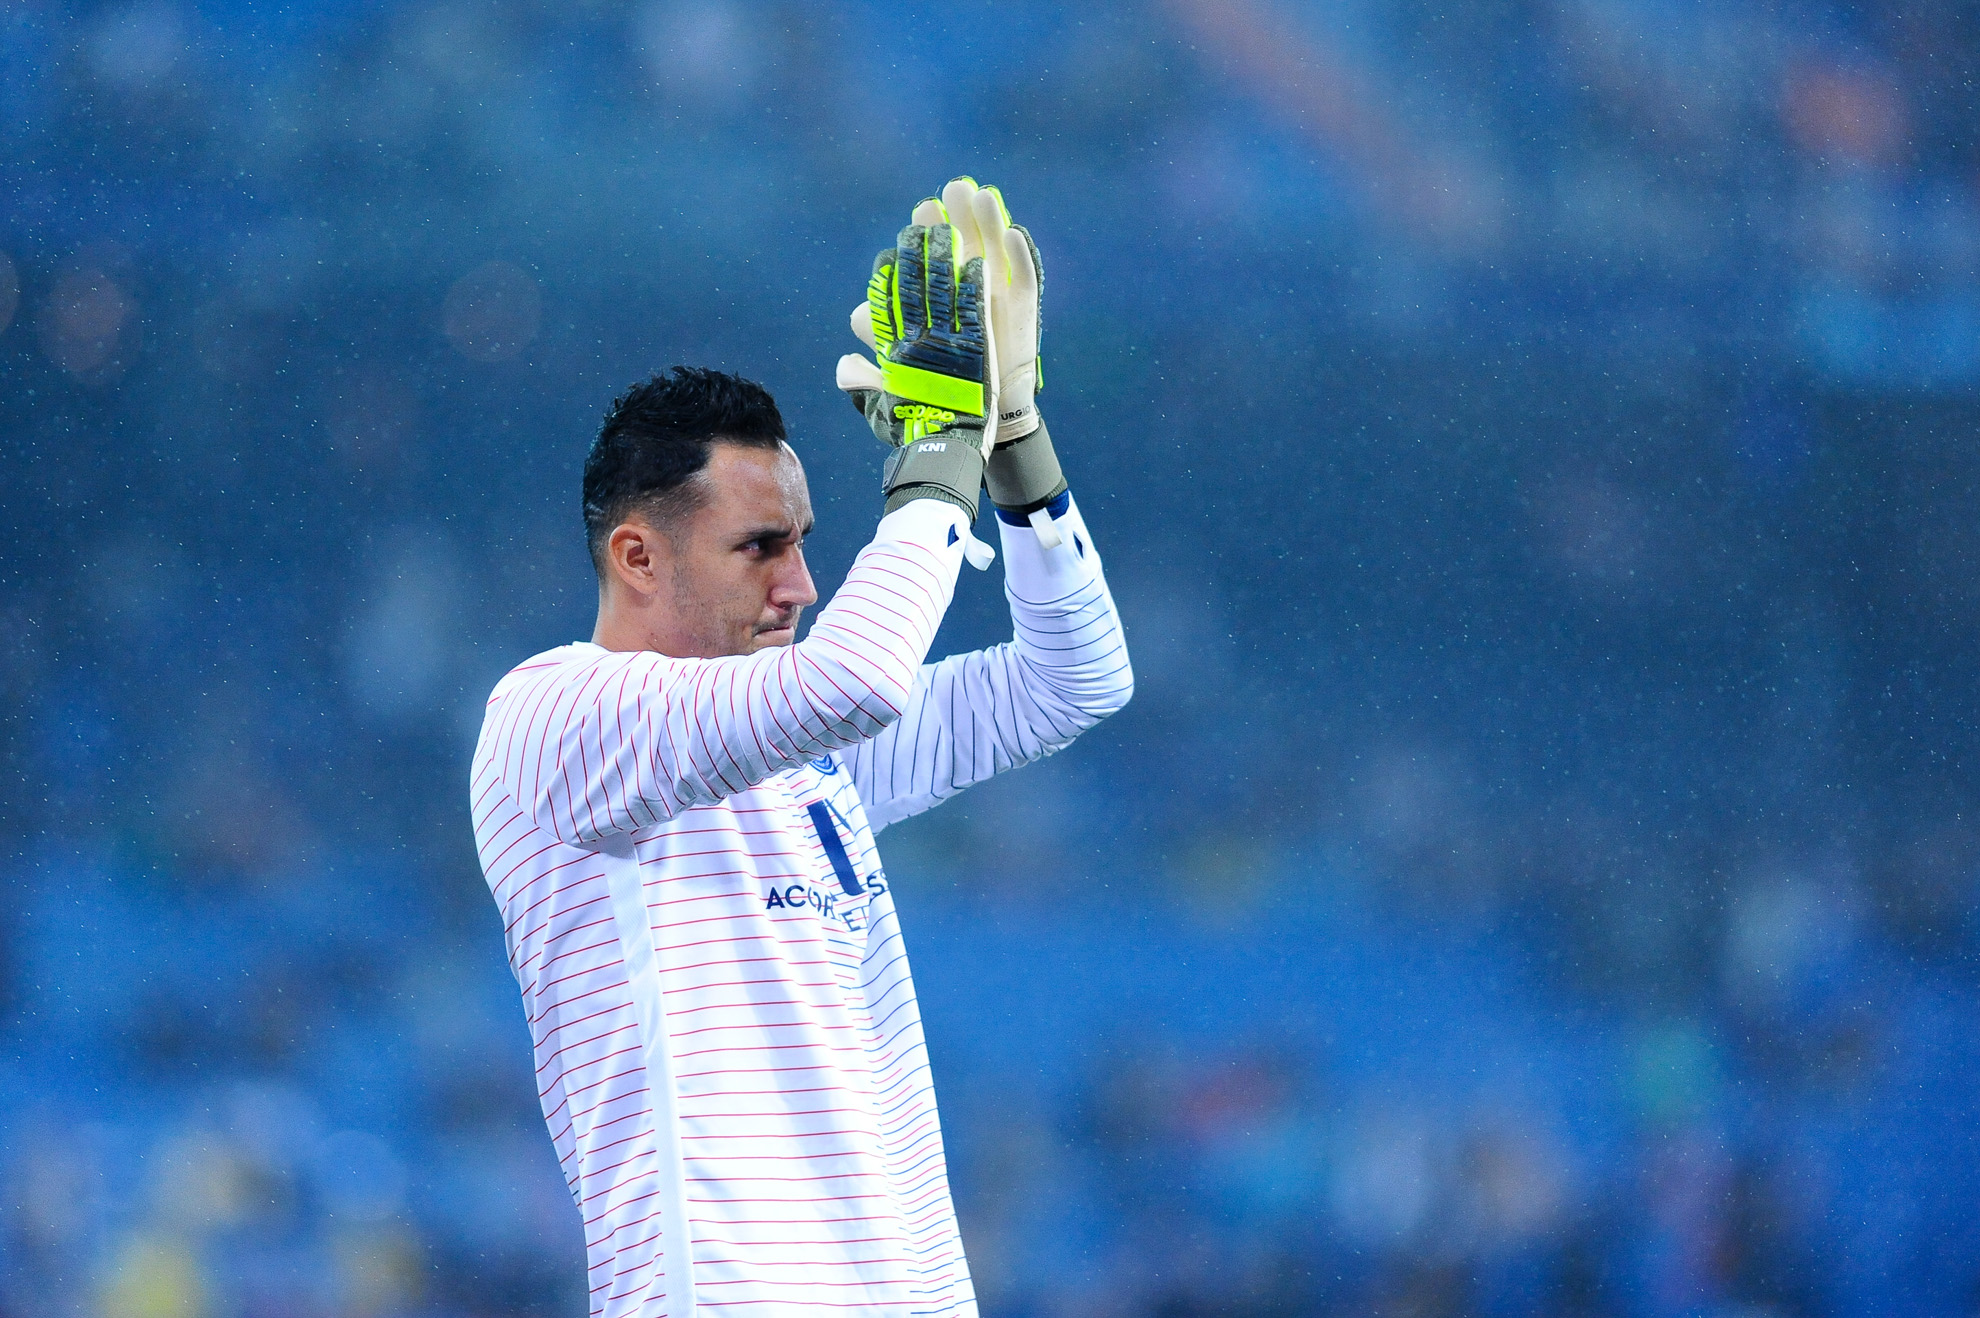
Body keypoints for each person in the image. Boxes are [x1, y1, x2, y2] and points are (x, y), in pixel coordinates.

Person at [469, 178, 1132, 1317]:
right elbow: (860, 676)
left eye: (805, 542)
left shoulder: (804, 752)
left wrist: (1014, 442)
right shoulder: (552, 718)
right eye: (759, 548)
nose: (802, 584)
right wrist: (936, 450)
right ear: (637, 558)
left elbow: (1073, 679)